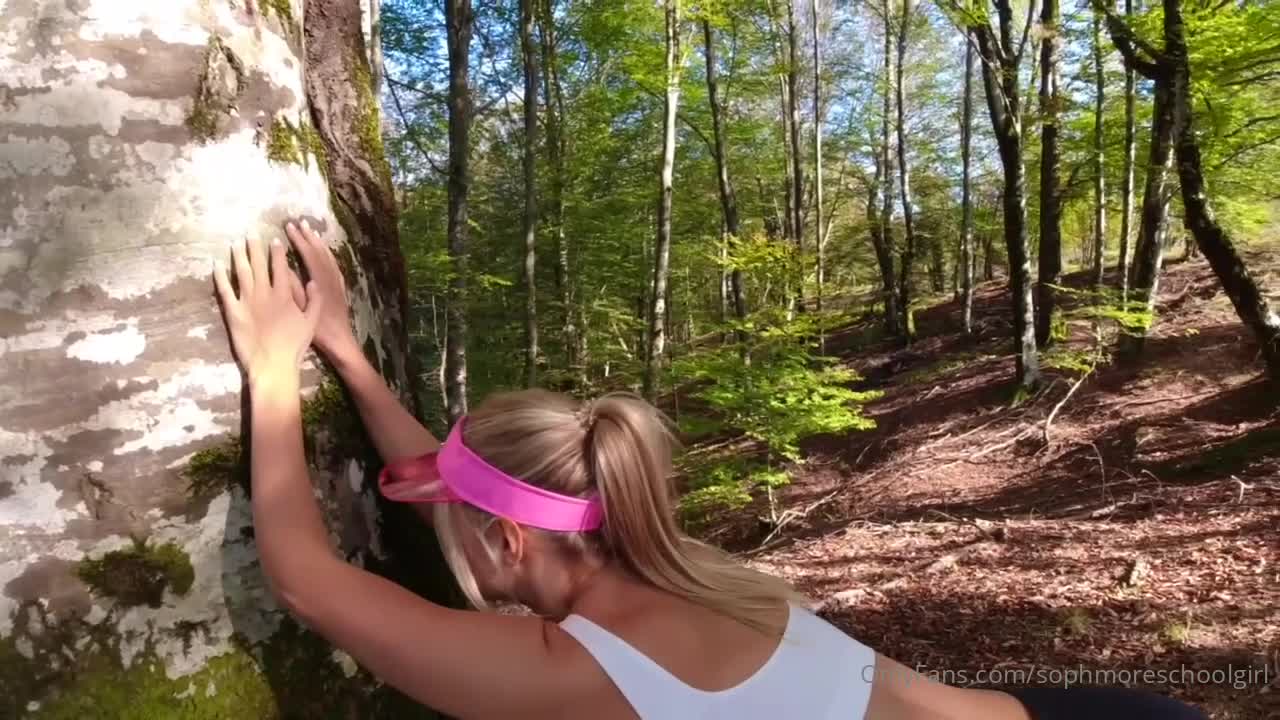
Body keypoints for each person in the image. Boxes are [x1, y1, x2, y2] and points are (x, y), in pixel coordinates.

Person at [211, 220, 1209, 720]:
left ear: (511, 539)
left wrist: (271, 372)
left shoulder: (580, 674)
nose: (443, 515)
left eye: (459, 520)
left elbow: (307, 583)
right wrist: (341, 352)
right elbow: (456, 481)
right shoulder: (670, 563)